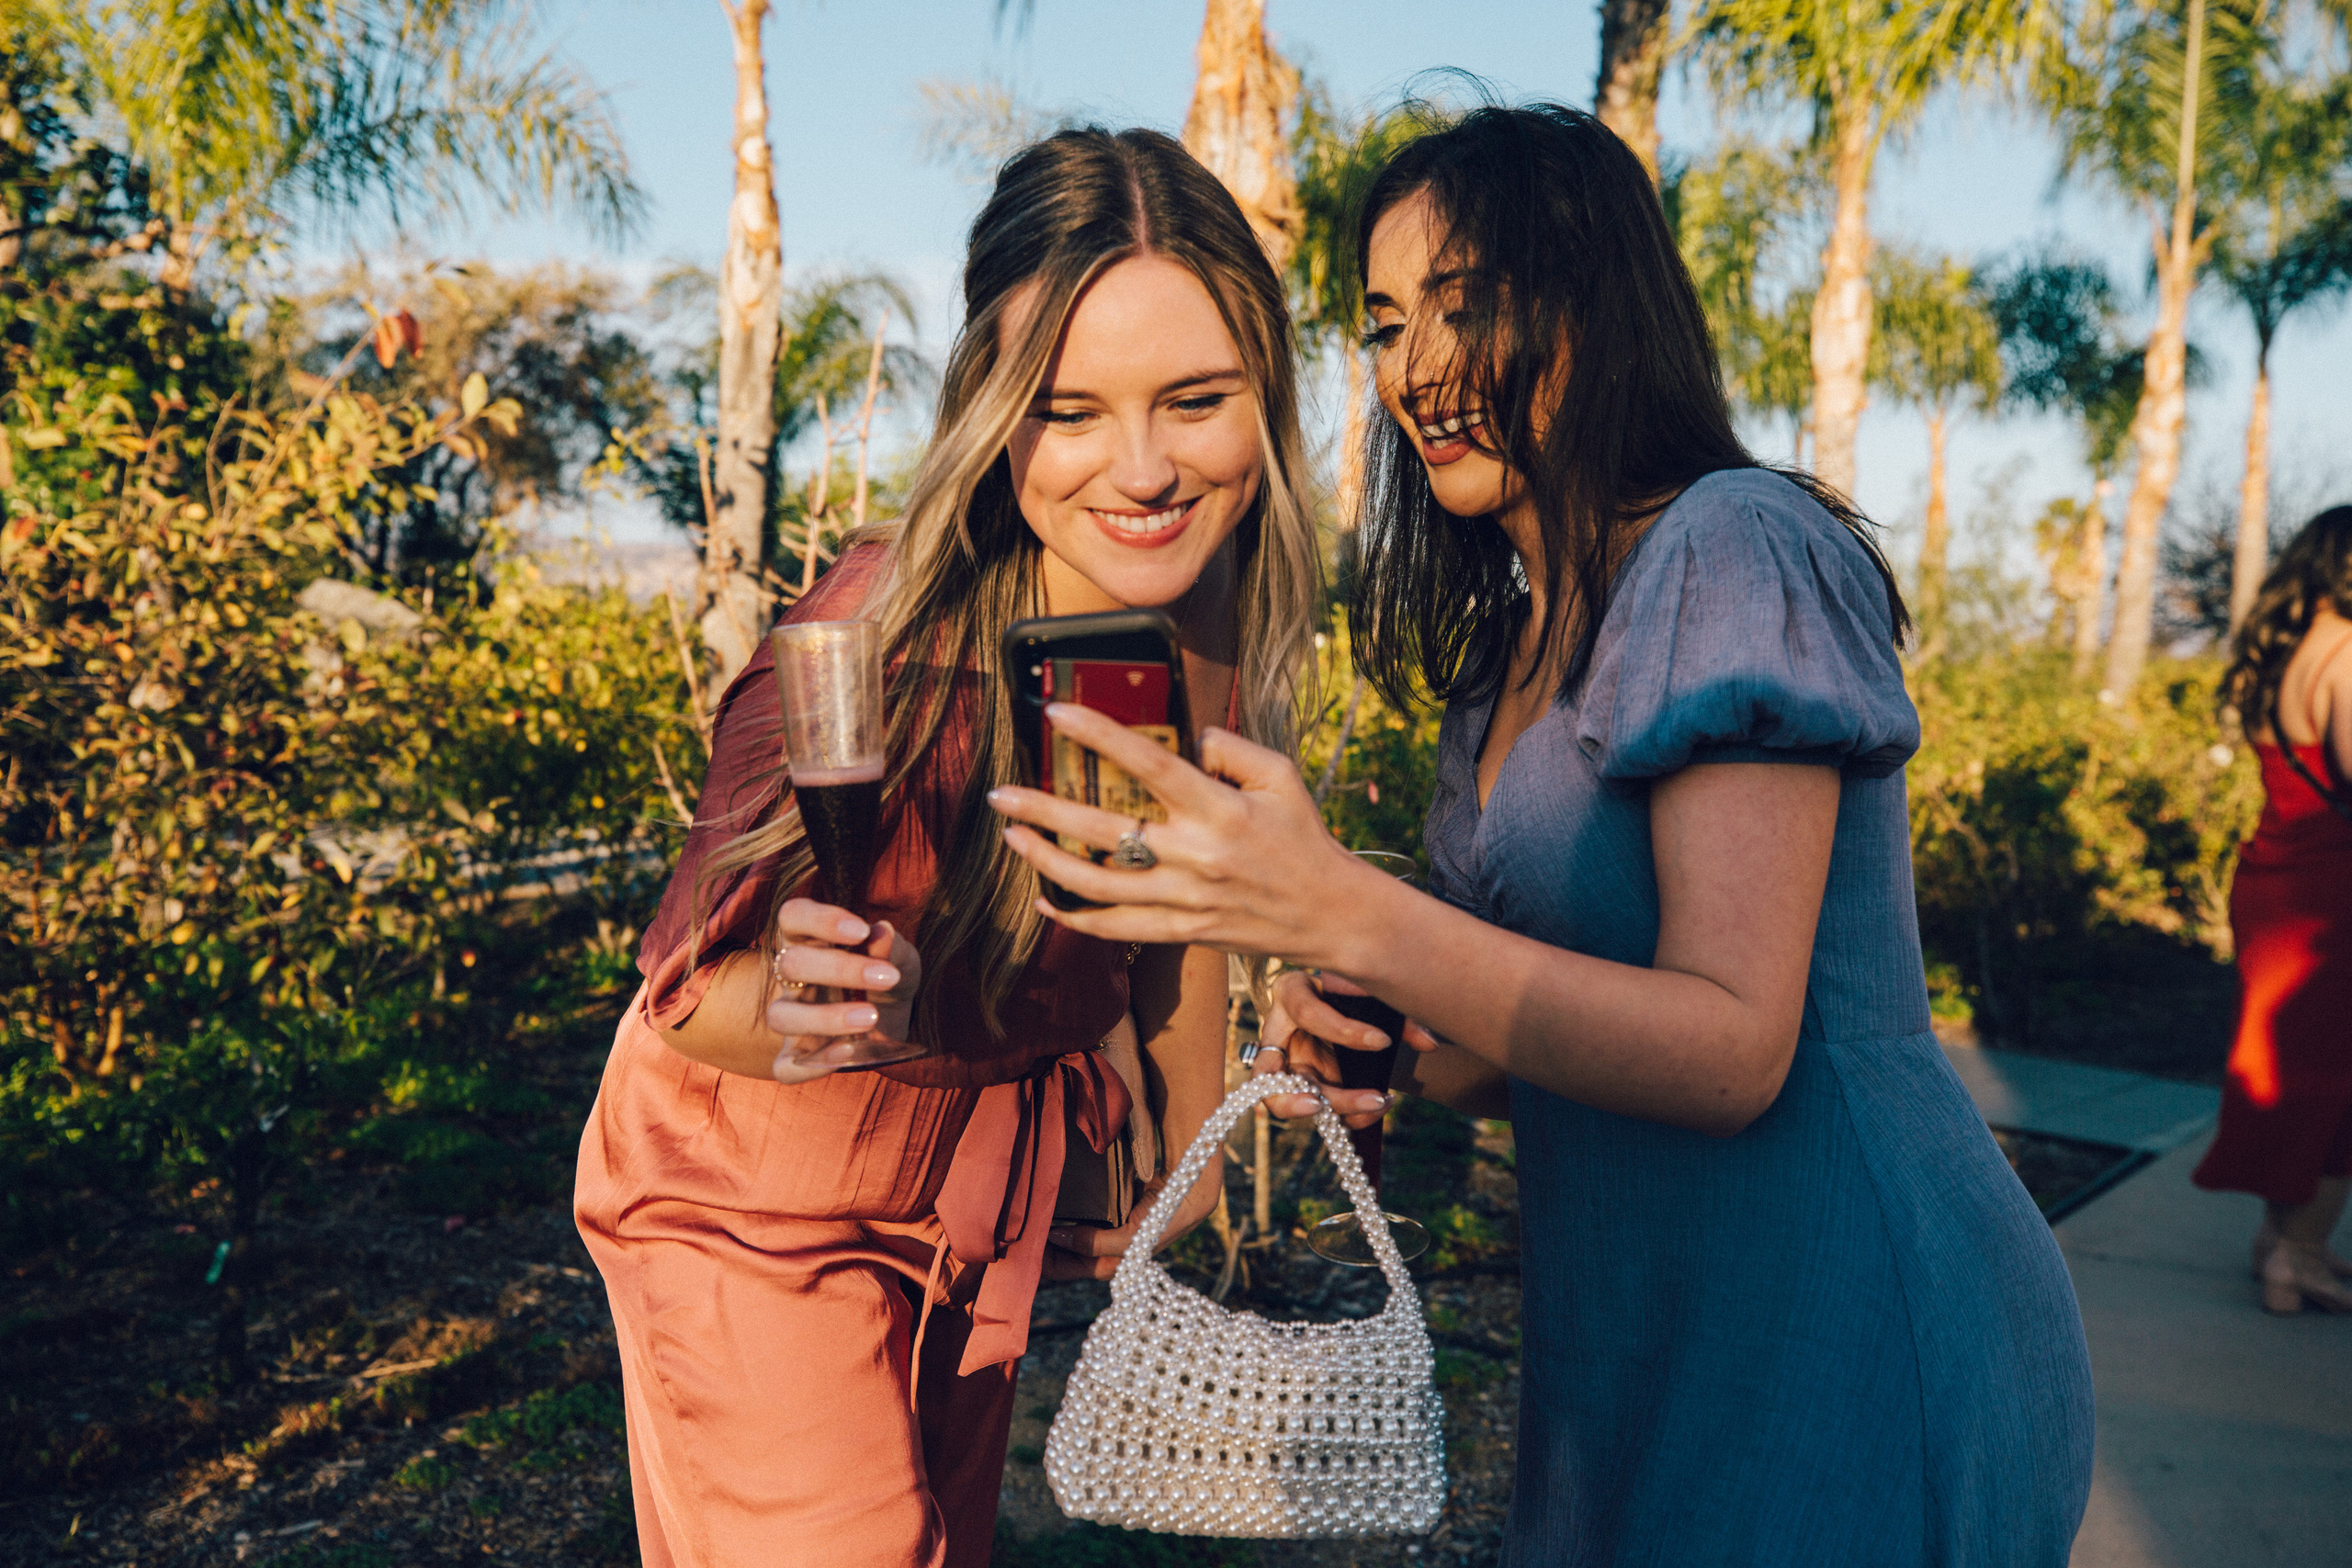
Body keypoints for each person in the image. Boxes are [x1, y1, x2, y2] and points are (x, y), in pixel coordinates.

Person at [989, 104, 2095, 1565]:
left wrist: (1346, 913)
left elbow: (1731, 1048)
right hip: (1632, 1330)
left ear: (1596, 301)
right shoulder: (1500, 660)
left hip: (1845, 1310)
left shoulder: (1731, 542)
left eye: (1466, 303)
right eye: (1386, 323)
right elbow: (1496, 1062)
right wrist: (1379, 1018)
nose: (1419, 368)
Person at [573, 126, 1319, 1568]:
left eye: (1197, 398)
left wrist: (1179, 1165)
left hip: (973, 1195)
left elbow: (1183, 904)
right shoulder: (879, 640)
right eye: (1072, 409)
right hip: (752, 1191)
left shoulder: (1203, 622)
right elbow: (688, 988)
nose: (1148, 467)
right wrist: (806, 1000)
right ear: (993, 410)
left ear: (1266, 396)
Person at [2194, 506, 2352, 1314]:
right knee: (2334, 1079)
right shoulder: (2349, 654)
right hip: (2332, 889)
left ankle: (2277, 1241)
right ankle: (2302, 1255)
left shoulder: (2280, 650)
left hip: (2271, 875)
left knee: (2295, 1067)